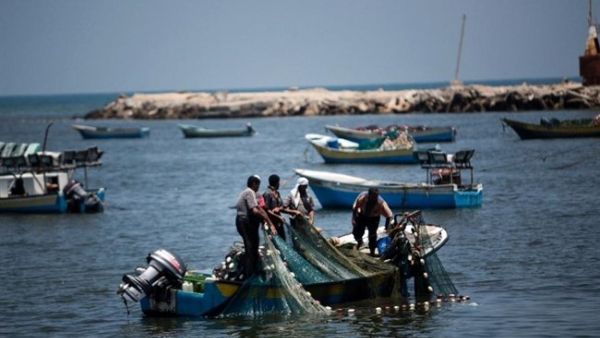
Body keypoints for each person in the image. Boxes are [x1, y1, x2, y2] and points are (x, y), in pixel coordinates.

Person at [235, 175, 277, 277]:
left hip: (246, 222)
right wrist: (268, 222)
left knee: (254, 247)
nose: (258, 187)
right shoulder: (249, 192)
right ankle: (248, 274)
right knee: (249, 247)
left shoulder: (252, 193)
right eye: (258, 184)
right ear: (254, 184)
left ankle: (253, 271)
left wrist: (269, 222)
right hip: (243, 221)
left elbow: (260, 209)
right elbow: (254, 210)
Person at [352, 187, 393, 256]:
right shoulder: (363, 198)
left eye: (375, 197)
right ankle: (360, 242)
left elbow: (389, 215)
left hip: (374, 218)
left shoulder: (380, 203)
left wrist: (386, 227)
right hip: (362, 215)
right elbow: (355, 208)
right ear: (368, 195)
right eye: (372, 197)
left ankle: (372, 251)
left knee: (372, 236)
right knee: (356, 232)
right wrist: (353, 218)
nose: (373, 199)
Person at [262, 174, 295, 240]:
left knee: (283, 240)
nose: (279, 184)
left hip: (279, 223)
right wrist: (278, 217)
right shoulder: (267, 194)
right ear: (276, 183)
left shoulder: (277, 193)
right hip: (271, 223)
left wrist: (292, 212)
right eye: (279, 182)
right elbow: (266, 210)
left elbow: (281, 208)